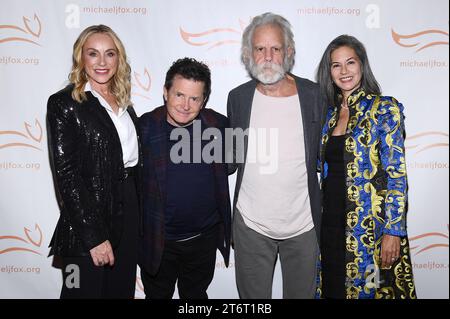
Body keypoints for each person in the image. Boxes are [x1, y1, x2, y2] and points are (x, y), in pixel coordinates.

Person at [227, 12, 325, 299]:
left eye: (276, 48)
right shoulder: (238, 97)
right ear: (248, 54)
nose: (268, 56)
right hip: (250, 224)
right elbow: (230, 158)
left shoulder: (315, 95)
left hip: (304, 224)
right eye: (260, 49)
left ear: (289, 52)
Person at [316, 34, 416, 299]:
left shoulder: (384, 110)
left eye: (350, 62)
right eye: (336, 65)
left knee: (371, 292)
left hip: (370, 230)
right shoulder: (328, 115)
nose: (344, 71)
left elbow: (397, 176)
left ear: (362, 65)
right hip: (330, 226)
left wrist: (393, 231)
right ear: (330, 72)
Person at [46, 25, 141, 299]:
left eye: (109, 54)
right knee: (82, 293)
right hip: (89, 211)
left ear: (118, 59)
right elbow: (66, 176)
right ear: (81, 58)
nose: (102, 62)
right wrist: (94, 236)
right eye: (93, 53)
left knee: (120, 291)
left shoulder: (125, 103)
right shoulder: (65, 103)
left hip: (128, 206)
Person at [139, 58, 231, 299]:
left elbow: (231, 166)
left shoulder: (218, 125)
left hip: (203, 240)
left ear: (204, 101)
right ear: (165, 92)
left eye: (194, 98)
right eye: (179, 95)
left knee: (196, 298)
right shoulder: (144, 128)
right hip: (159, 241)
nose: (185, 105)